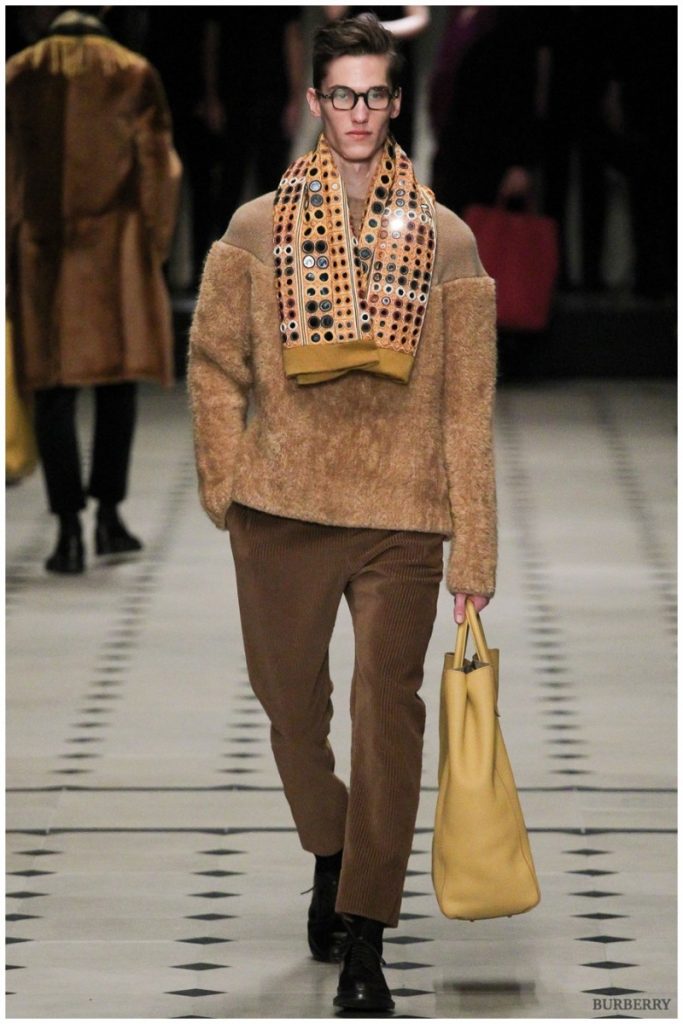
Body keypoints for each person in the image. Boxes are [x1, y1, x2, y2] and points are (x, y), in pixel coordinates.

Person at [188, 13, 497, 1013]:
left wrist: (472, 548)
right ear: (315, 100)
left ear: (394, 103)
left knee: (385, 711)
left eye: (374, 95)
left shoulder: (447, 240)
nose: (358, 113)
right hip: (280, 506)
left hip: (400, 512)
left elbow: (466, 406)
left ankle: (366, 931)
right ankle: (330, 846)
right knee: (290, 709)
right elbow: (215, 364)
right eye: (341, 94)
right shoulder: (254, 228)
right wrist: (224, 479)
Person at [6, 7, 181, 574]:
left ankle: (67, 533)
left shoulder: (16, 75)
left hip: (42, 254)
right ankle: (108, 516)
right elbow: (160, 168)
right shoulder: (131, 72)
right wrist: (153, 245)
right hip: (116, 254)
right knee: (115, 384)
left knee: (52, 393)